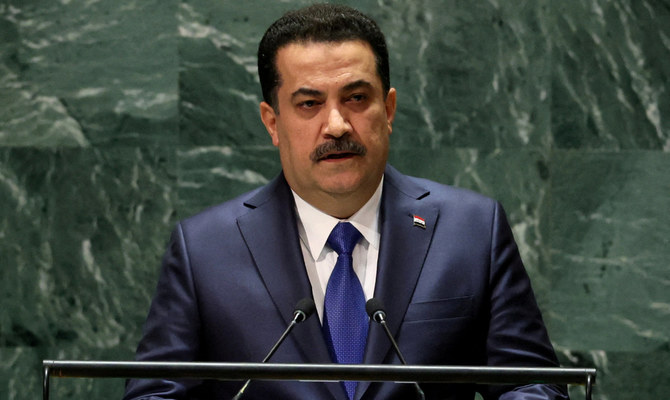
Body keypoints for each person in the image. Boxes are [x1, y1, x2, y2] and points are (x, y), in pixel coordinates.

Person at [123, 4, 569, 400]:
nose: (336, 124)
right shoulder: (204, 250)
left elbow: (531, 384)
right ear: (272, 122)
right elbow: (156, 394)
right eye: (309, 104)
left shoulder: (471, 230)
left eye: (356, 98)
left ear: (389, 110)